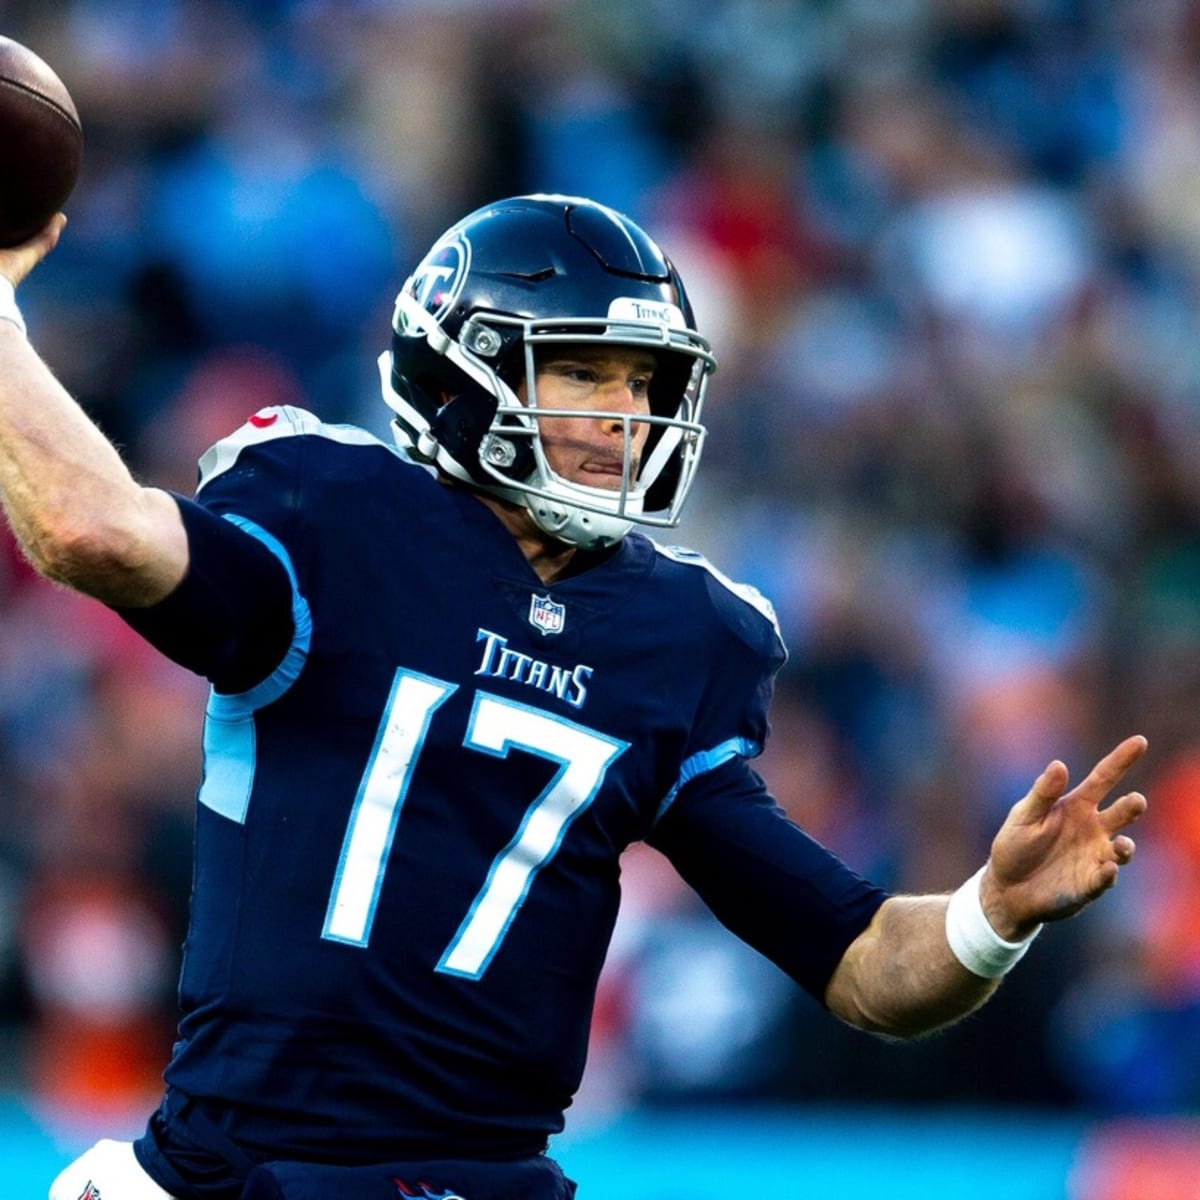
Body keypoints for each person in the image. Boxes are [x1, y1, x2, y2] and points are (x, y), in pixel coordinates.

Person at [0, 195, 1147, 1200]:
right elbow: (88, 527)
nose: (623, 414)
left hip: (490, 1181)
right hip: (249, 1169)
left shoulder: (675, 636)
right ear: (462, 370)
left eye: (645, 380)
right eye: (585, 372)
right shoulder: (333, 516)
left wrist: (992, 916)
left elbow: (862, 966)